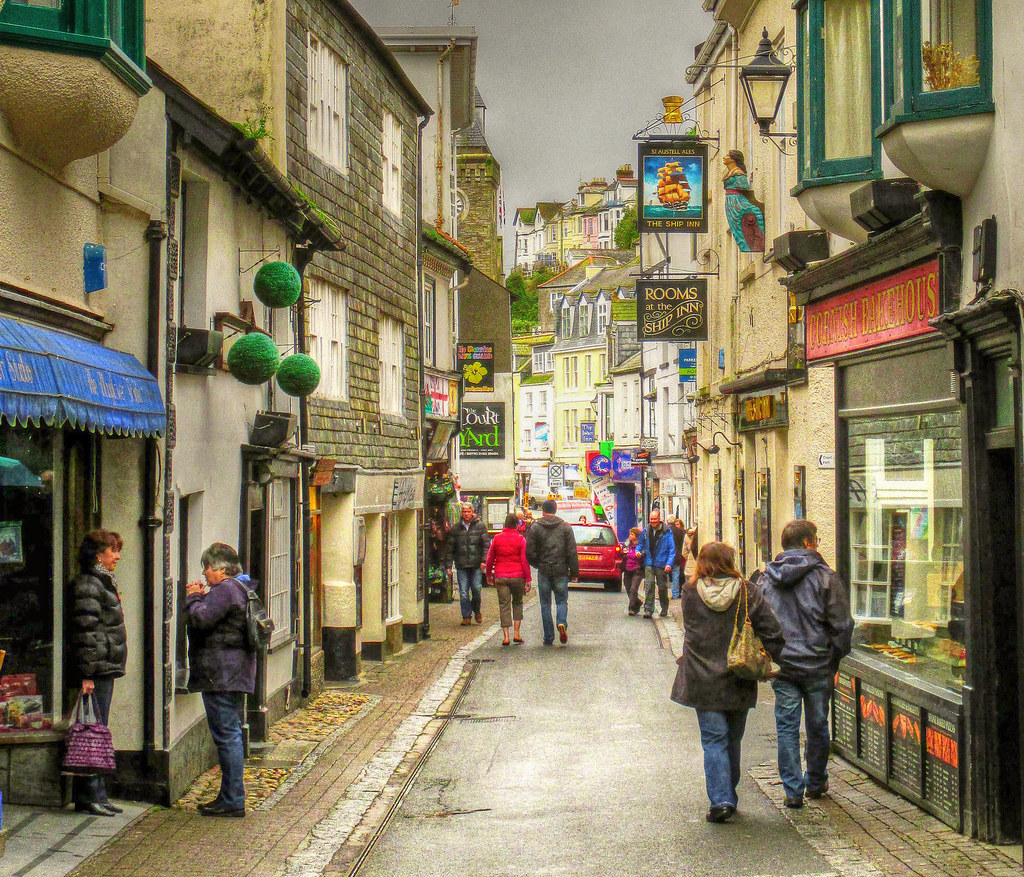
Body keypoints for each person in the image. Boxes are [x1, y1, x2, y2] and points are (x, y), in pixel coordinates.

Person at [670, 542, 785, 824]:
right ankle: (727, 793)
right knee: (732, 738)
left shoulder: (689, 593)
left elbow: (694, 631)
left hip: (701, 677)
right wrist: (776, 659)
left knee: (714, 739)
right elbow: (771, 630)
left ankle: (721, 799)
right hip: (738, 676)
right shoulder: (747, 591)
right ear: (731, 562)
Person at [760, 520, 854, 809]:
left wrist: (771, 654)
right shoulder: (826, 577)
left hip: (783, 665)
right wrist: (833, 658)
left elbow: (760, 622)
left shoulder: (766, 578)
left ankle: (792, 789)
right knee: (818, 724)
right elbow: (842, 624)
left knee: (787, 728)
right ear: (808, 542)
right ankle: (815, 780)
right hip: (817, 664)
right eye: (816, 540)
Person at [185, 543, 256, 817]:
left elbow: (201, 619)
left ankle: (233, 799)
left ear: (222, 569)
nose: (204, 573)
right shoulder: (240, 588)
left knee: (227, 737)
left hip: (221, 674)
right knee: (230, 735)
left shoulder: (225, 590)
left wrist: (193, 597)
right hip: (234, 673)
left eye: (207, 567)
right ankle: (229, 796)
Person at [69, 530, 127, 816]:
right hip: (97, 669)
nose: (117, 556)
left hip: (104, 666)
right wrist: (87, 674)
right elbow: (86, 632)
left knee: (97, 730)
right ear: (97, 554)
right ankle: (89, 795)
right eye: (112, 550)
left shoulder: (101, 582)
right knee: (91, 731)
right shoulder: (89, 585)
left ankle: (98, 794)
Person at [525, 498, 578, 646]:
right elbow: (572, 551)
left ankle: (548, 637)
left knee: (545, 603)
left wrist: (537, 564)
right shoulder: (565, 527)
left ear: (543, 511)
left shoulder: (536, 527)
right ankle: (561, 622)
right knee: (561, 600)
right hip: (561, 570)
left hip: (544, 570)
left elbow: (529, 551)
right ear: (555, 510)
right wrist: (574, 572)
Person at [485, 513, 532, 646]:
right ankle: (516, 634)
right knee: (517, 602)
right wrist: (528, 578)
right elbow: (524, 560)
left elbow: (490, 558)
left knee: (504, 605)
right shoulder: (521, 539)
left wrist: (488, 575)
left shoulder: (497, 538)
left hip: (501, 576)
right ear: (517, 525)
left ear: (505, 524)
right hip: (518, 576)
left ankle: (506, 637)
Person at [448, 503, 491, 626]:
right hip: (461, 564)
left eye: (468, 511)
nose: (466, 514)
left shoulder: (480, 526)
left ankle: (476, 610)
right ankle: (466, 616)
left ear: (472, 512)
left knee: (476, 588)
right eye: (464, 512)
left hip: (476, 564)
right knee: (463, 592)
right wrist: (448, 565)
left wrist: (484, 560)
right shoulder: (456, 528)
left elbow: (486, 545)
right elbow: (450, 547)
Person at [637, 509, 674, 618]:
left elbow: (672, 550)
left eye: (655, 519)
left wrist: (669, 564)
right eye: (651, 519)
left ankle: (664, 607)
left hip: (661, 563)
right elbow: (640, 544)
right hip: (649, 562)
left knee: (662, 587)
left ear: (659, 519)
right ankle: (648, 610)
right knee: (649, 585)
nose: (653, 521)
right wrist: (637, 551)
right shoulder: (646, 531)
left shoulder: (667, 532)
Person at [623, 527, 644, 616]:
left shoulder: (640, 546)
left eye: (632, 534)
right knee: (628, 587)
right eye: (630, 534)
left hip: (637, 569)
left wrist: (640, 555)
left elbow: (644, 554)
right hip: (628, 569)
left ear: (636, 536)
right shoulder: (627, 544)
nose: (630, 536)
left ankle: (632, 608)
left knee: (633, 588)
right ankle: (637, 602)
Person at [669, 517, 687, 600]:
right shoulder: (681, 532)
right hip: (677, 556)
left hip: (668, 556)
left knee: (666, 575)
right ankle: (675, 594)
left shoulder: (666, 531)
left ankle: (665, 594)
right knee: (676, 575)